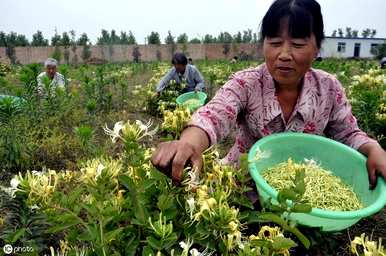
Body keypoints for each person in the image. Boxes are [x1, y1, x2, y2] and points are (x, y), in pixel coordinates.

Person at [152, 0, 386, 190]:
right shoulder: (246, 83)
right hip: (242, 187)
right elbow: (214, 115)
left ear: (317, 48)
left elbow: (348, 133)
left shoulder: (329, 88)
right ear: (263, 45)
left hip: (302, 190)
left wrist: (373, 149)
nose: (284, 54)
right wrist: (189, 144)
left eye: (297, 44)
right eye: (274, 42)